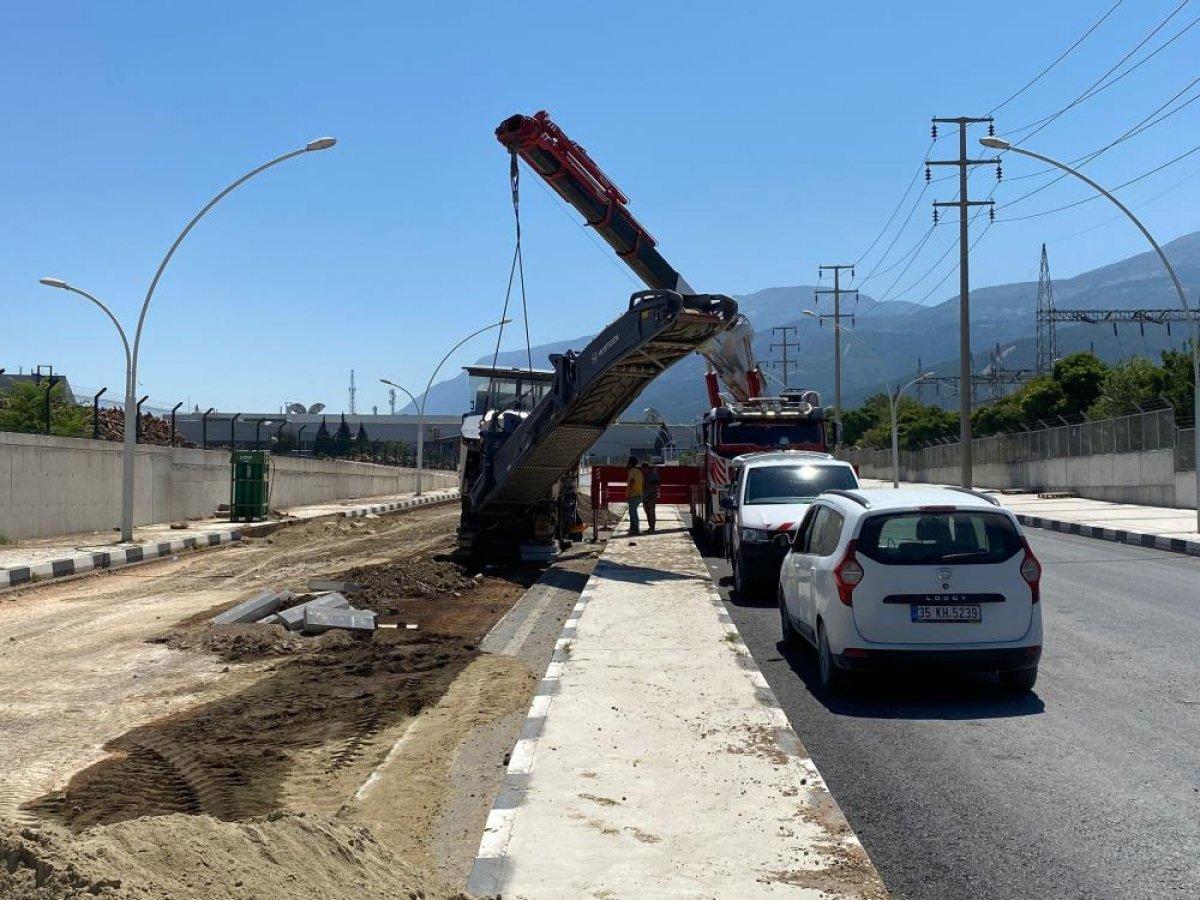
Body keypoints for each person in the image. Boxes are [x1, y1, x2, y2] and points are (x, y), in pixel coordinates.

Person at [641, 460, 661, 533]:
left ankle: (652, 528)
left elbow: (658, 484)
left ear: (648, 468)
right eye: (642, 469)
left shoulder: (653, 474)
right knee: (647, 512)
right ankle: (650, 527)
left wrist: (649, 486)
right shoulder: (642, 474)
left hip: (651, 495)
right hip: (645, 495)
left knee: (651, 512)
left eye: (644, 469)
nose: (643, 470)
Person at [626, 456, 643, 535]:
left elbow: (632, 481)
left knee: (633, 513)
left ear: (631, 463)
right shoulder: (639, 472)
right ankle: (633, 529)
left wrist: (628, 492)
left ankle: (635, 529)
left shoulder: (632, 471)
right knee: (632, 512)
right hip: (639, 494)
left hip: (634, 494)